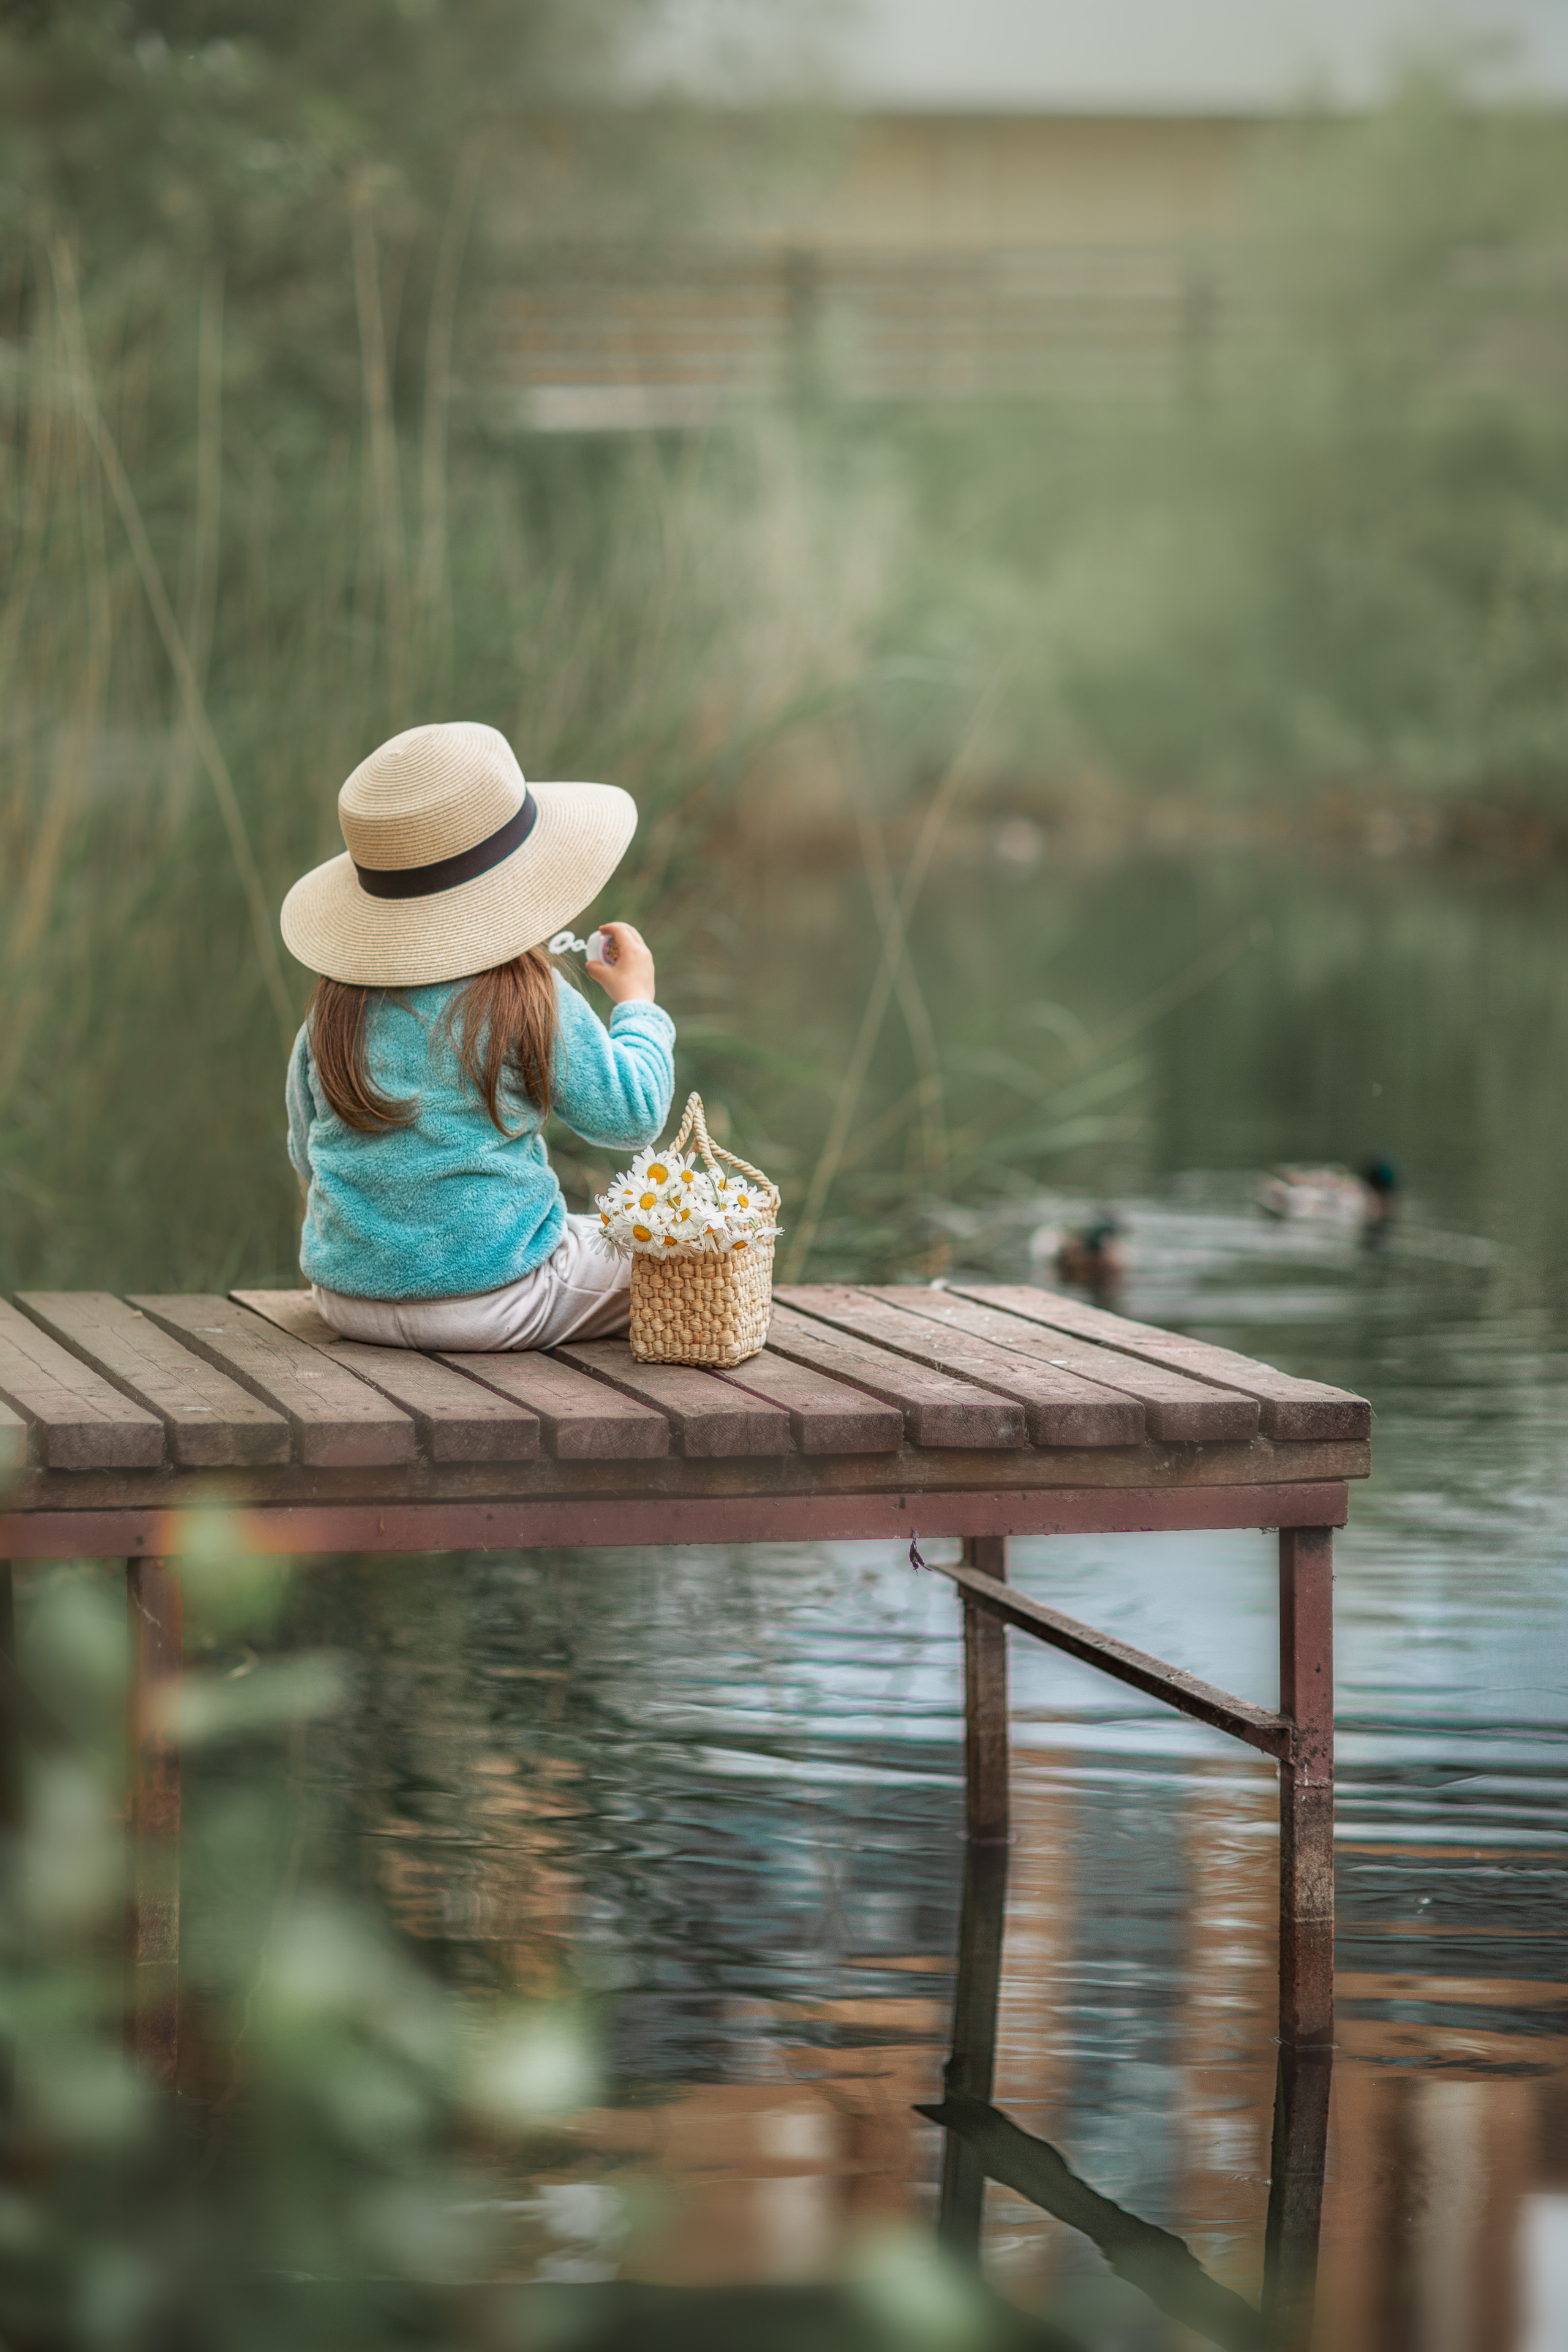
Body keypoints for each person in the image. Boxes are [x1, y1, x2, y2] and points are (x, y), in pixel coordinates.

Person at [279, 720, 674, 1351]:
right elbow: (631, 1118)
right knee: (674, 1258)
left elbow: (306, 1154)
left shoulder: (333, 1010)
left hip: (345, 1299)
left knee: (579, 1232)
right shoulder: (528, 997)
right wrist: (638, 1005)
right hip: (496, 1297)